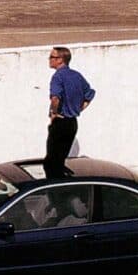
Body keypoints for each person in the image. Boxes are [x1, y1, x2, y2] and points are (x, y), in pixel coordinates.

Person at [44, 46, 95, 179]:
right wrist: (78, 109)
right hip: (72, 122)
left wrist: (53, 113)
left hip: (61, 122)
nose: (49, 60)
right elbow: (89, 94)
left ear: (60, 60)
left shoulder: (58, 77)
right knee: (60, 161)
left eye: (52, 57)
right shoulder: (77, 76)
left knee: (51, 164)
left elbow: (55, 98)